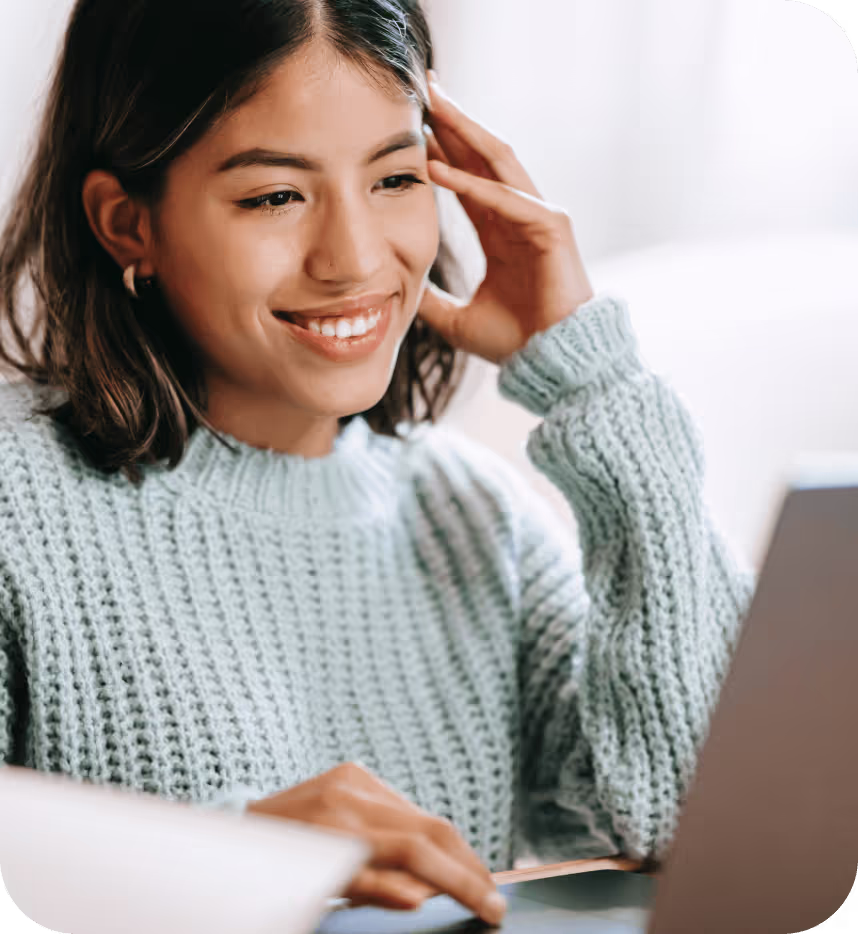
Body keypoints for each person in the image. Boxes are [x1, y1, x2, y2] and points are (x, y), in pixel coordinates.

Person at [0, 0, 755, 926]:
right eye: (275, 196)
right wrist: (225, 866)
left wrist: (591, 382)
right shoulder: (17, 498)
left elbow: (704, 827)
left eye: (397, 179)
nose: (356, 258)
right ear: (128, 224)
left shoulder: (473, 516)